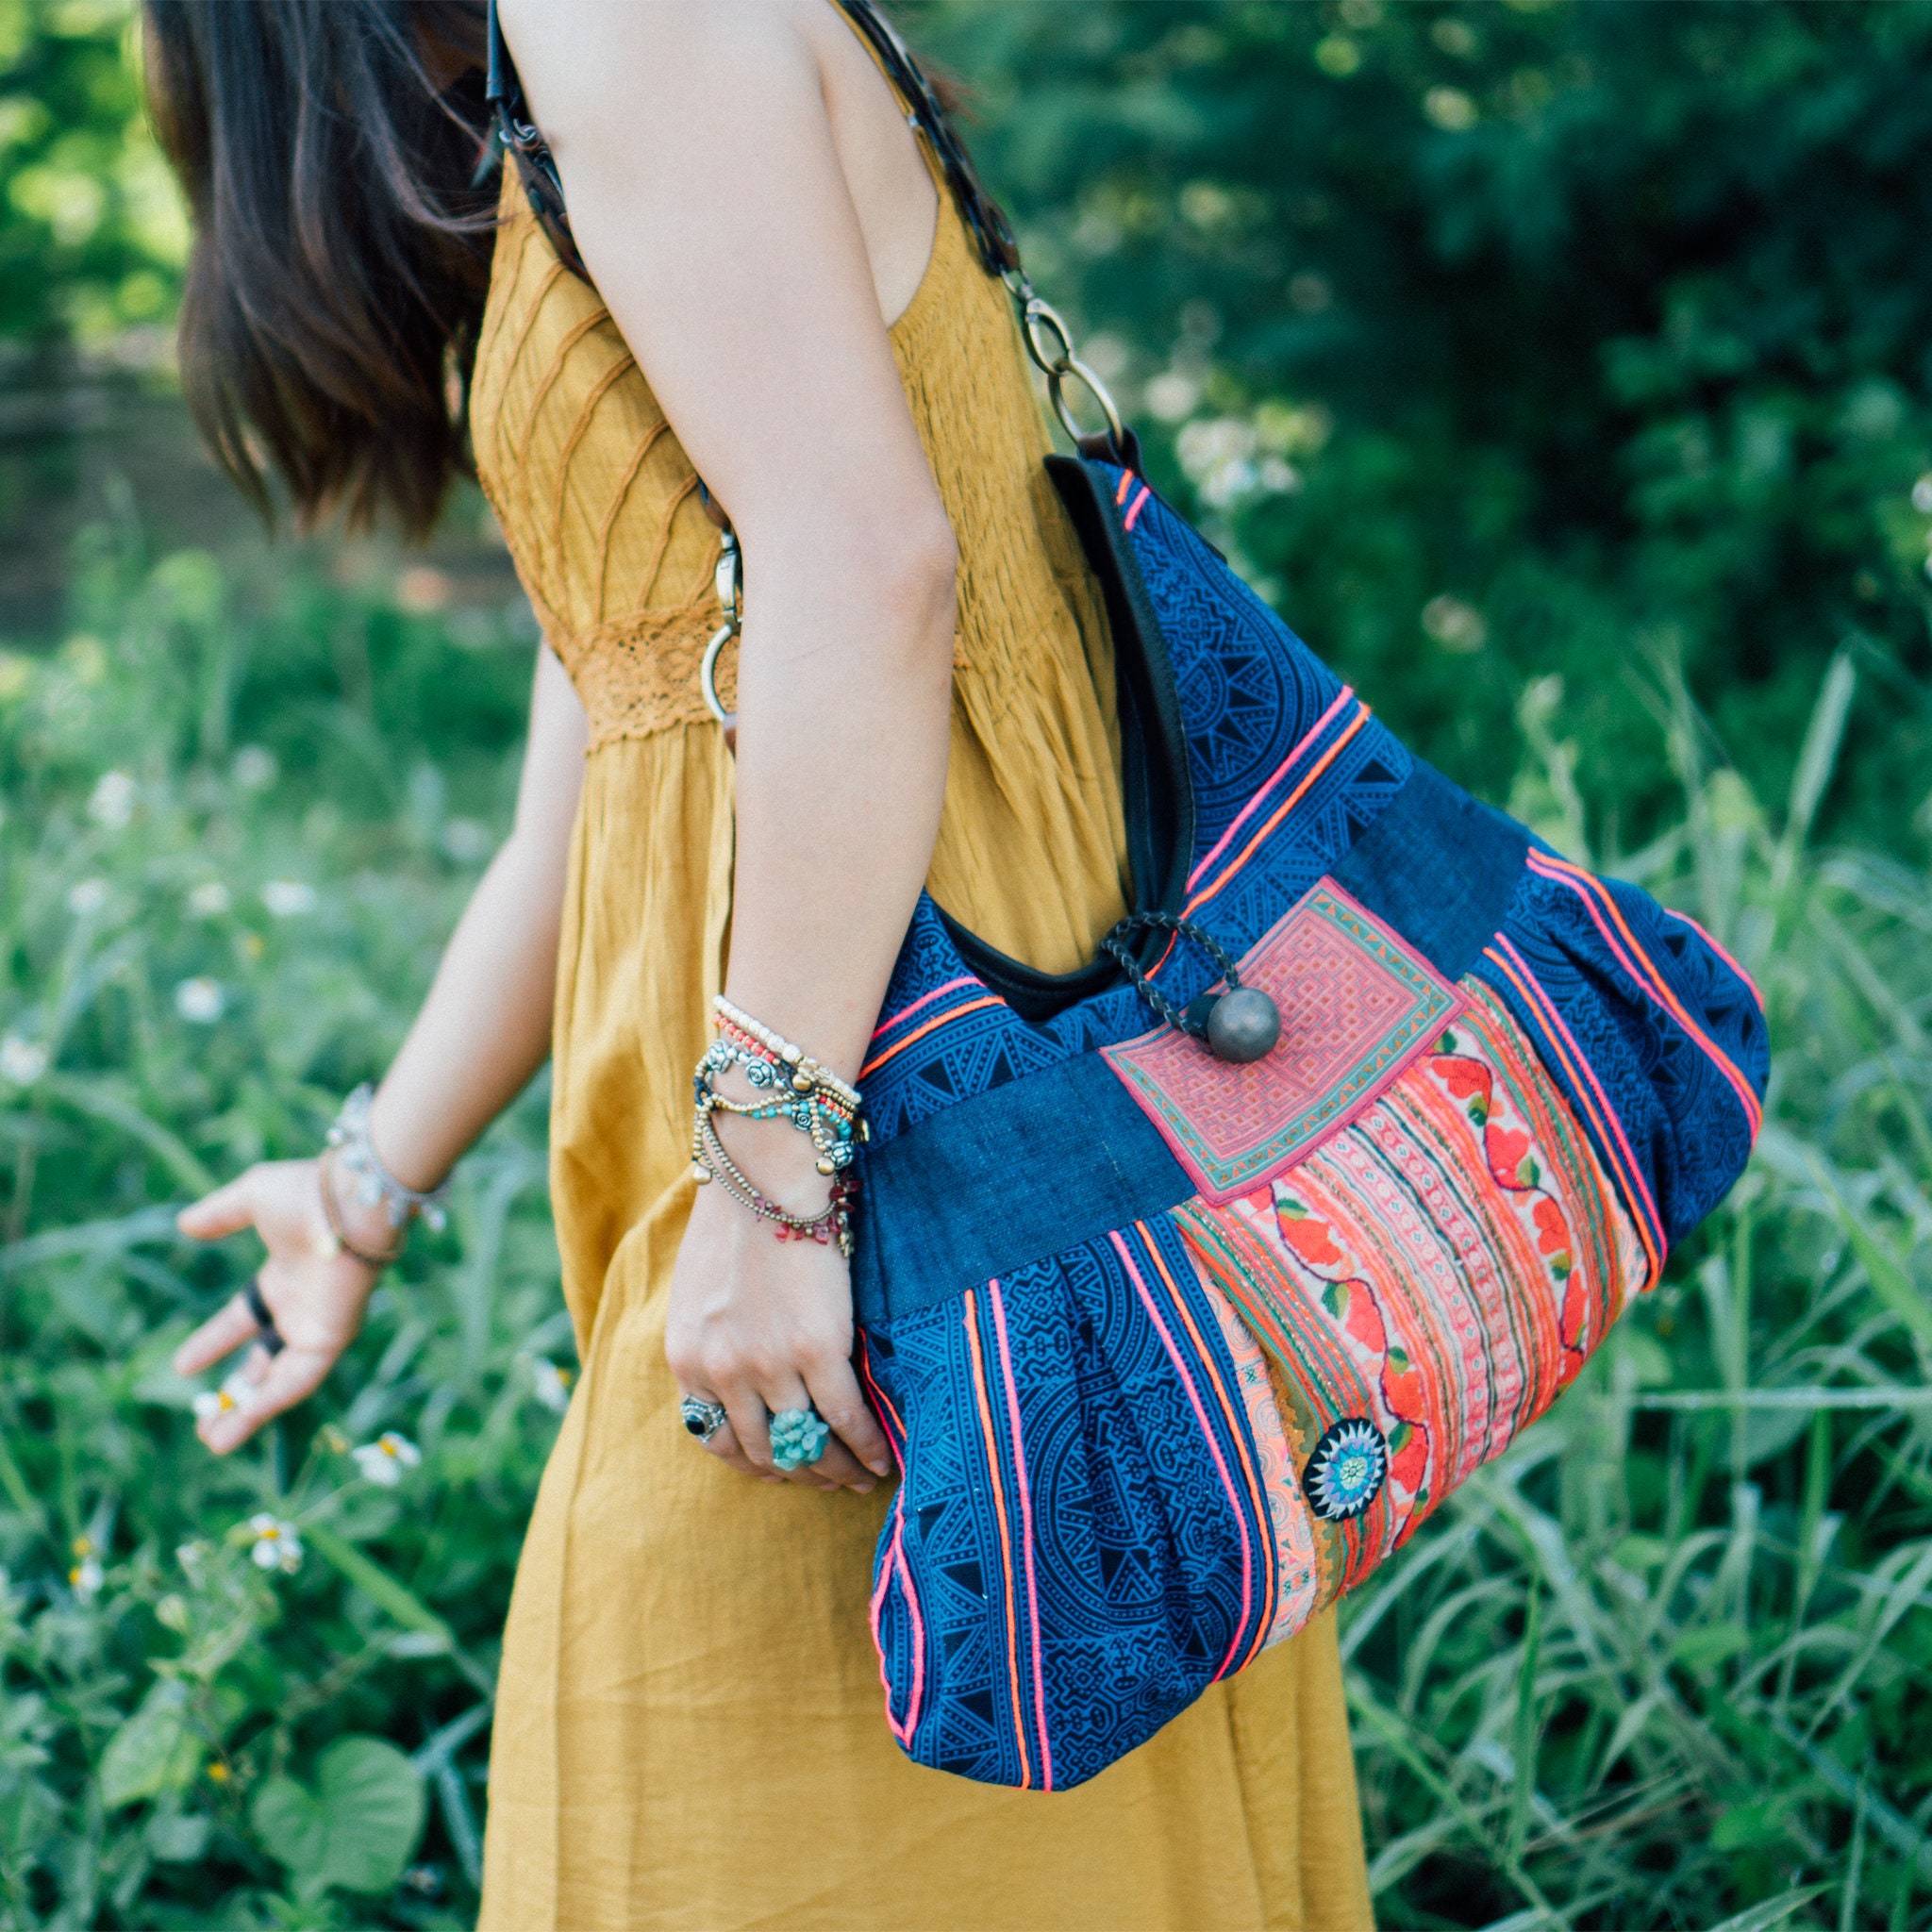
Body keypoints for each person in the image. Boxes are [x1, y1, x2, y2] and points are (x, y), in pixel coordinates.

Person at [145, 2, 1374, 1925]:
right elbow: (625, 722)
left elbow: (870, 567)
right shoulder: (547, 70)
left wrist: (778, 1176)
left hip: (890, 1086)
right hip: (822, 1067)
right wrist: (366, 1181)